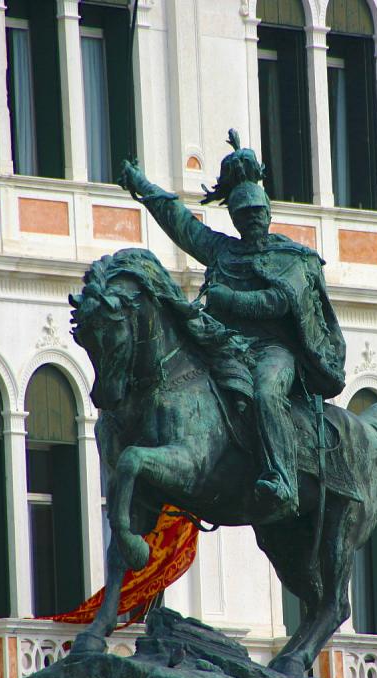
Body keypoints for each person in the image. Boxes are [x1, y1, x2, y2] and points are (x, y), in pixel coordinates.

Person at [119, 132, 345, 520]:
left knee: (266, 391)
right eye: (243, 214)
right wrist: (142, 186)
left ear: (268, 214)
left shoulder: (291, 257)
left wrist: (228, 298)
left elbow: (278, 301)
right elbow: (181, 223)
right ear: (235, 218)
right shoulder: (223, 251)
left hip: (274, 350)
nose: (251, 219)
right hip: (226, 345)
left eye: (257, 212)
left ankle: (282, 478)